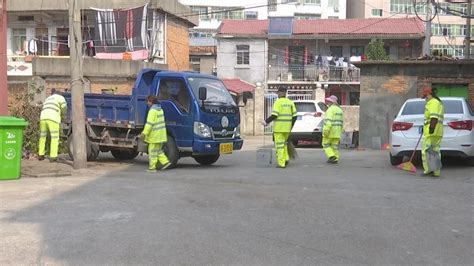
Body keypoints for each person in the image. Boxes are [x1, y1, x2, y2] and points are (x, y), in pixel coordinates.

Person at [262, 87, 297, 168]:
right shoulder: (290, 102)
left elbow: (274, 115)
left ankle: (281, 163)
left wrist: (266, 122)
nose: (278, 94)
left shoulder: (278, 102)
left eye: (278, 92)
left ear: (280, 93)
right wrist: (291, 125)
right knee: (284, 144)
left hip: (279, 129)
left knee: (279, 146)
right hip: (287, 128)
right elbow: (295, 116)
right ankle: (286, 158)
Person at [140, 95, 171, 172]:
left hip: (154, 135)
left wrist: (144, 133)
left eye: (148, 101)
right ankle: (166, 162)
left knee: (152, 152)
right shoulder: (160, 110)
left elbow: (149, 124)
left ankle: (152, 167)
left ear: (151, 102)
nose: (147, 103)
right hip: (161, 135)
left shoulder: (152, 111)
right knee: (158, 150)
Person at [38, 90, 68, 162]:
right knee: (54, 137)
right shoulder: (60, 98)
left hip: (43, 118)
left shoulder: (48, 98)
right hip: (53, 118)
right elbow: (64, 107)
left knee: (42, 137)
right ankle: (53, 157)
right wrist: (63, 115)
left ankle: (40, 155)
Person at [421, 87, 444, 177]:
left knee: (425, 151)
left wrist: (431, 128)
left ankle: (428, 170)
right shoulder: (438, 102)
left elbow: (434, 117)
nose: (425, 99)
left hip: (432, 132)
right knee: (435, 151)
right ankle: (436, 171)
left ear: (429, 95)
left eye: (425, 96)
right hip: (437, 131)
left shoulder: (433, 103)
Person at [322, 95, 344, 164]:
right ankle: (335, 158)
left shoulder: (330, 109)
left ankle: (331, 156)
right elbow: (341, 122)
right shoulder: (340, 110)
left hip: (330, 131)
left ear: (332, 102)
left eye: (329, 101)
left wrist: (326, 130)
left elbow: (328, 121)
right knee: (335, 146)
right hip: (337, 131)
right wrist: (341, 131)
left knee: (325, 144)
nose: (327, 103)